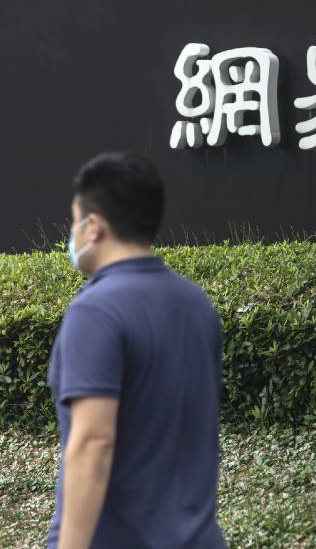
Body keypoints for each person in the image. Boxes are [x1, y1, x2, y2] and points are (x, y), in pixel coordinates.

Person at [46, 152, 227, 549]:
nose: (73, 235)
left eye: (75, 221)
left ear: (94, 226)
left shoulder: (95, 312)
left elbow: (94, 442)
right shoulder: (195, 303)